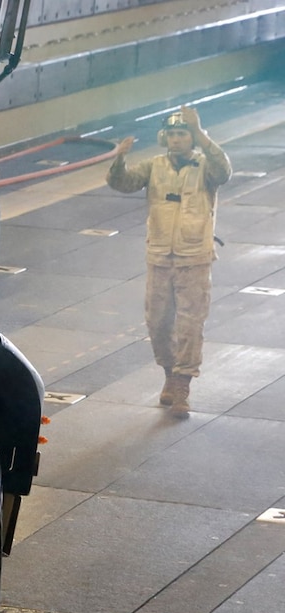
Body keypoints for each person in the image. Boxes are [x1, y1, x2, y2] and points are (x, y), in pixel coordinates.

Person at [106, 105, 232, 418]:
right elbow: (123, 183)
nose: (177, 139)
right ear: (165, 137)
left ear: (192, 137)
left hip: (194, 256)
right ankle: (168, 373)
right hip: (160, 255)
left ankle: (182, 386)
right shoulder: (154, 166)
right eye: (172, 134)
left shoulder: (206, 166)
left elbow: (225, 171)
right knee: (158, 321)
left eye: (182, 134)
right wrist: (119, 159)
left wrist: (201, 133)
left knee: (190, 323)